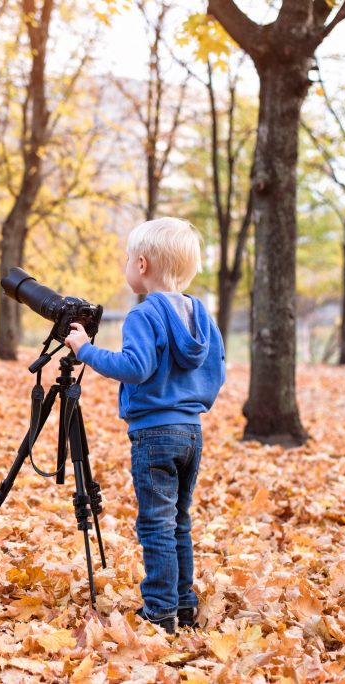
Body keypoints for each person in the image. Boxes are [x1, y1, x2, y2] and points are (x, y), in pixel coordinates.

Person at [64, 217, 225, 634]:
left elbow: (133, 367)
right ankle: (183, 604)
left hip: (154, 434)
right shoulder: (200, 314)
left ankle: (159, 612)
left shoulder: (144, 315)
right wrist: (191, 400)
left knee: (155, 523)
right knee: (179, 520)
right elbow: (217, 370)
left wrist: (85, 350)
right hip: (191, 431)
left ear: (142, 263)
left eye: (126, 260)